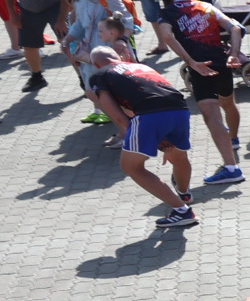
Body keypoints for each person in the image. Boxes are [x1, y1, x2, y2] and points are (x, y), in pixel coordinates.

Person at [151, 0, 248, 184]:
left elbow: (167, 36)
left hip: (200, 68)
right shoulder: (207, 6)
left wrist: (191, 62)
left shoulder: (167, 13)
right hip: (222, 63)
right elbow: (235, 27)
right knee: (228, 104)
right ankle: (232, 139)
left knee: (212, 116)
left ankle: (232, 168)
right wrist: (233, 54)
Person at [84, 48, 199, 229]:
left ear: (95, 65)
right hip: (180, 109)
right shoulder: (139, 66)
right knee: (178, 156)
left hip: (149, 114)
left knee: (131, 166)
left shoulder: (99, 74)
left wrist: (150, 135)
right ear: (119, 57)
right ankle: (184, 194)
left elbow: (117, 116)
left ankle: (182, 211)